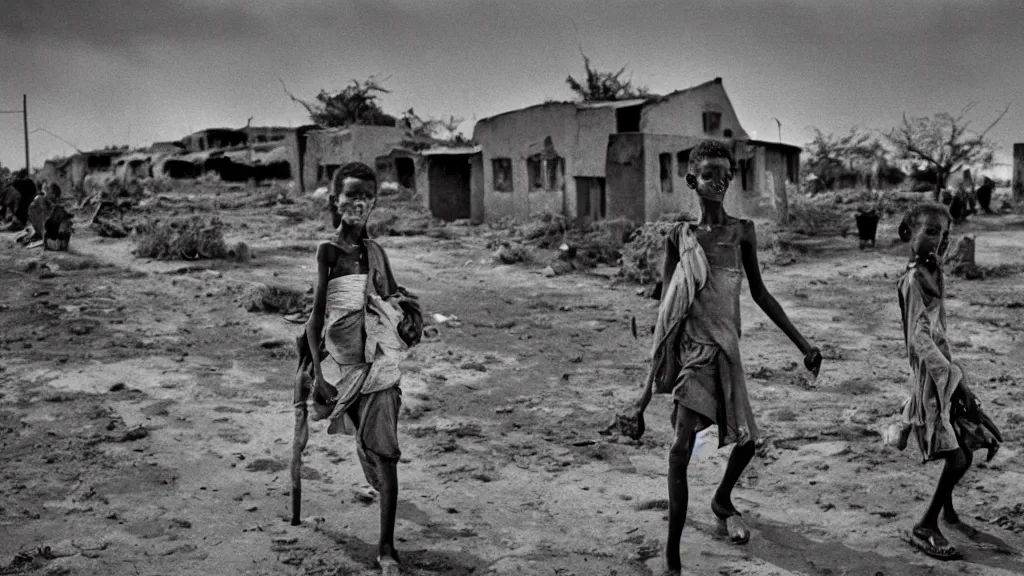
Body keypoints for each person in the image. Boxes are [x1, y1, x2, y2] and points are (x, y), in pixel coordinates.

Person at [626, 140, 822, 574]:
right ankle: (673, 557)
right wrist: (642, 398)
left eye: (726, 173)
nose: (721, 180)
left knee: (748, 442)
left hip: (727, 353)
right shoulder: (680, 237)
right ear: (693, 180)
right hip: (693, 354)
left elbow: (760, 293)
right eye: (711, 173)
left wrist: (803, 344)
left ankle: (721, 498)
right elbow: (667, 314)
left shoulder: (743, 232)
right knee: (680, 450)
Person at [291, 162, 422, 576]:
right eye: (351, 195)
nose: (359, 202)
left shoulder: (377, 253)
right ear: (335, 201)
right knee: (351, 434)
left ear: (375, 203)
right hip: (339, 363)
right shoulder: (328, 251)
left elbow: (393, 296)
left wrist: (407, 313)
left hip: (378, 363)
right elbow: (316, 318)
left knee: (386, 453)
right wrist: (319, 375)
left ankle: (387, 549)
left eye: (367, 195)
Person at [890, 203, 1002, 560]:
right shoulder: (912, 280)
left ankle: (947, 508)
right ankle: (925, 525)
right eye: (932, 232)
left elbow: (940, 332)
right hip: (929, 380)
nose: (941, 241)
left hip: (943, 373)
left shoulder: (933, 271)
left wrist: (957, 373)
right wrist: (955, 380)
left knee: (965, 437)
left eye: (945, 234)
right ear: (909, 234)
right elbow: (918, 342)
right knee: (958, 459)